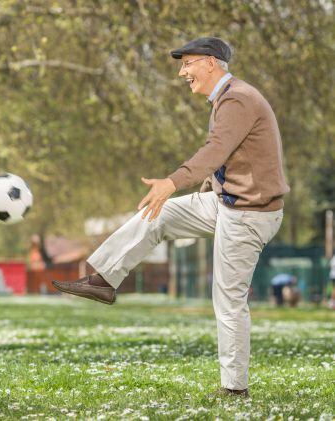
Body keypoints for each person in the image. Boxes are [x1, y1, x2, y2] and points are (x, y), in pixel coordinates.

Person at [53, 37, 289, 398]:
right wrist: (200, 189)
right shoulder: (227, 98)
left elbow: (215, 150)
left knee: (228, 300)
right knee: (157, 214)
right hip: (228, 204)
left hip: (249, 214)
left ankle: (234, 388)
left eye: (187, 64)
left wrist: (172, 182)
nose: (182, 72)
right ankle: (103, 279)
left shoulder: (238, 98)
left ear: (211, 63)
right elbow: (231, 156)